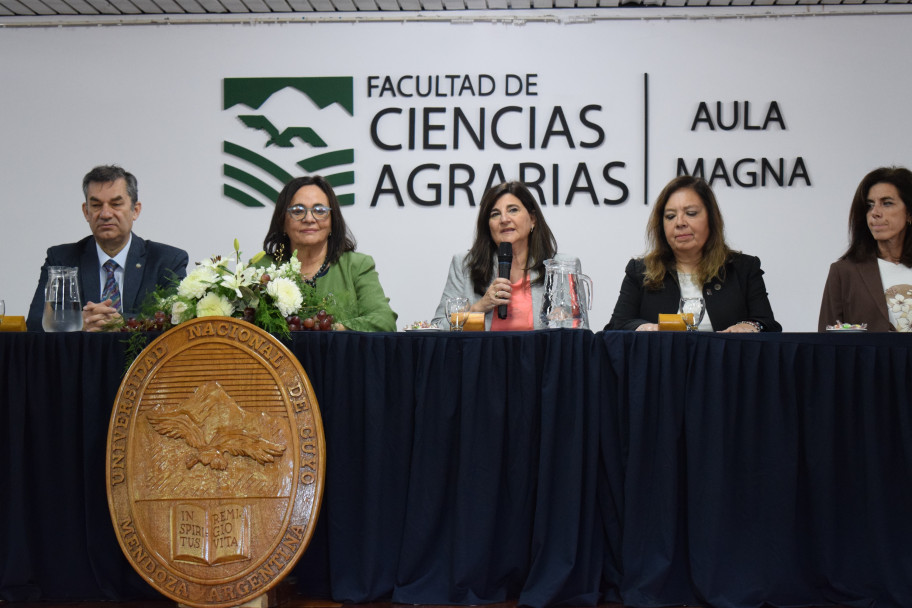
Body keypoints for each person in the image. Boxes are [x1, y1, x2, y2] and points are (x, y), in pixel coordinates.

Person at [606, 175, 781, 332]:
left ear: (711, 219)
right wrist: (646, 328)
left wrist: (750, 326)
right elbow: (616, 326)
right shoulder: (640, 271)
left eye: (690, 213)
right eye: (670, 216)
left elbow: (768, 324)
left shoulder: (743, 269)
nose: (680, 222)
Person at [27, 165, 188, 332]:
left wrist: (123, 323)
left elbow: (177, 322)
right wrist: (76, 323)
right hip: (81, 357)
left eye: (116, 204)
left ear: (135, 210)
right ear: (86, 212)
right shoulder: (61, 259)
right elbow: (34, 322)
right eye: (96, 205)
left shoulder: (167, 260)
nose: (105, 214)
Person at [263, 175, 397, 332]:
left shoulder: (356, 266)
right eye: (298, 211)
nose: (309, 218)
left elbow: (384, 321)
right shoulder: (263, 269)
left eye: (319, 210)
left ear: (333, 221)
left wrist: (332, 329)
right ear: (282, 222)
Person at [432, 181, 559, 330]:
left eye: (513, 210)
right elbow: (438, 328)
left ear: (532, 219)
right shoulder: (465, 265)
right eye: (495, 214)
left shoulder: (560, 268)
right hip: (483, 353)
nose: (504, 219)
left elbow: (580, 337)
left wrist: (564, 323)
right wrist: (478, 308)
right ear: (488, 226)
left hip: (538, 353)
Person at [818, 167, 912, 332]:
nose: (875, 212)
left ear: (909, 213)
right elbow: (827, 346)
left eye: (887, 203)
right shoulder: (844, 272)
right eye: (869, 205)